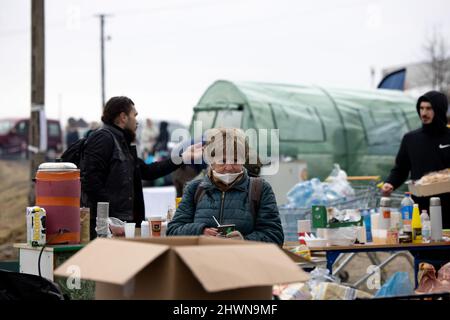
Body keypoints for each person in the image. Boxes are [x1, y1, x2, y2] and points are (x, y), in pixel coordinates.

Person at [80, 96, 202, 238]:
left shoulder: (122, 142)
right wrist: (107, 220)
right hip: (110, 228)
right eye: (134, 115)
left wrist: (182, 158)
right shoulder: (103, 138)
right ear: (123, 117)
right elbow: (90, 181)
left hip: (122, 224)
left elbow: (148, 171)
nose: (137, 121)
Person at [167, 128, 284, 245]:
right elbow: (172, 232)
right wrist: (200, 232)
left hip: (244, 261)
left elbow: (275, 236)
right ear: (211, 161)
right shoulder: (194, 189)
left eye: (235, 160)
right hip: (203, 261)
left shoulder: (260, 189)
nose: (229, 167)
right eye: (222, 161)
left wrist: (244, 241)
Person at [382, 91, 450, 228]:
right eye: (421, 108)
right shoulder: (411, 139)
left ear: (439, 110)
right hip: (420, 211)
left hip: (448, 207)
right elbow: (401, 168)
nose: (423, 113)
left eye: (429, 108)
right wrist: (391, 182)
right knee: (421, 247)